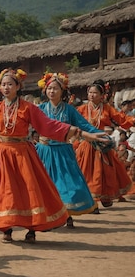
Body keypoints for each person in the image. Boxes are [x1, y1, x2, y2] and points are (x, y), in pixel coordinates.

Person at [0, 68, 84, 243]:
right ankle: (6, 227)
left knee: (28, 189)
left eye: (10, 84)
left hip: (23, 152)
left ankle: (32, 228)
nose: (6, 87)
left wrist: (69, 129)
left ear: (18, 86)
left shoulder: (27, 107)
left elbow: (46, 125)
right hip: (3, 153)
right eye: (3, 84)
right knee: (5, 190)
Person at [35, 72, 109, 228]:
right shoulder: (40, 109)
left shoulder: (69, 110)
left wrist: (98, 135)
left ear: (62, 91)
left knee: (68, 185)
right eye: (49, 88)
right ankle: (49, 216)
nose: (52, 92)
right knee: (44, 185)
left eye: (55, 88)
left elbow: (84, 126)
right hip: (44, 151)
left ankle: (66, 213)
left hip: (63, 152)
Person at [76, 79, 134, 207]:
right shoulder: (82, 109)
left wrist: (133, 120)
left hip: (102, 144)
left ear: (102, 95)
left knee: (104, 172)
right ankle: (92, 201)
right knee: (87, 171)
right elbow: (71, 120)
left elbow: (121, 118)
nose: (92, 95)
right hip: (87, 144)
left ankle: (104, 196)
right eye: (90, 92)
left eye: (95, 93)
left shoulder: (107, 109)